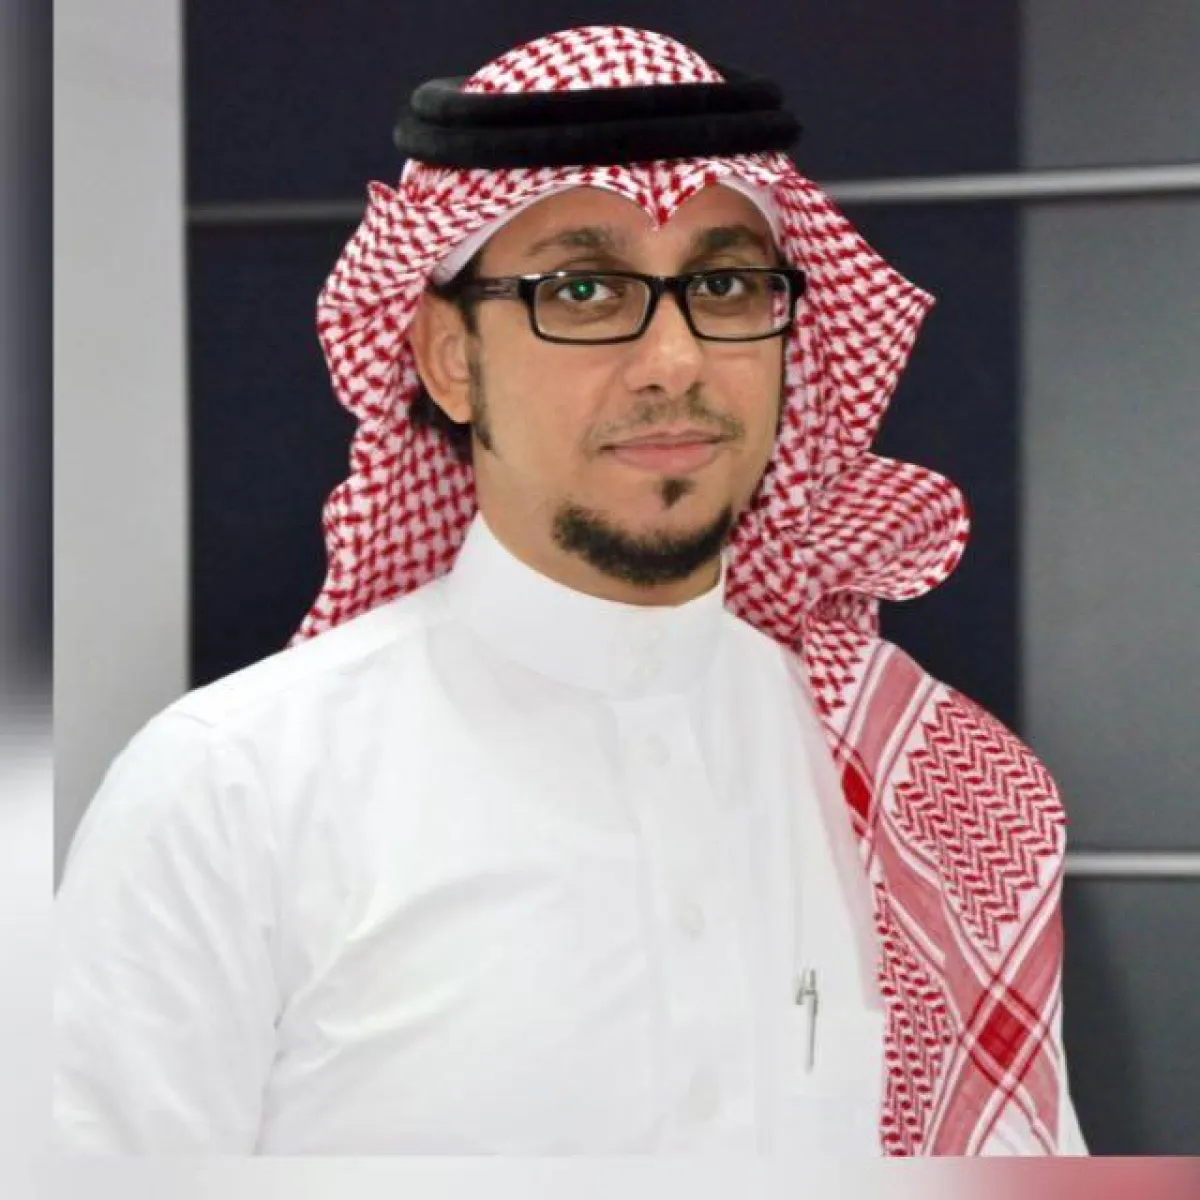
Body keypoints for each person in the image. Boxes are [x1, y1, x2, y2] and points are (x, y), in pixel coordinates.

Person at [55, 25, 1088, 1156]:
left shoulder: (916, 792)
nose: (675, 361)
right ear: (451, 359)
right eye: (585, 289)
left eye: (725, 285)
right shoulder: (235, 791)